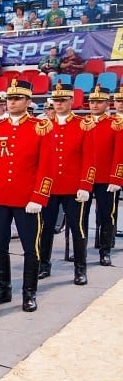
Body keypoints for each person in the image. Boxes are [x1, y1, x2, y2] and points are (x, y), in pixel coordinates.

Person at [0, 79, 54, 313]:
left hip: (27, 200)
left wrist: (39, 197)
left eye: (17, 98)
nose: (11, 103)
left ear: (28, 101)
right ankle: (3, 289)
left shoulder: (40, 127)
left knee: (30, 249)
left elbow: (47, 167)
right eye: (9, 99)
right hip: (1, 198)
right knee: (0, 246)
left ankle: (29, 292)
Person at [37, 82, 94, 285]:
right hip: (49, 187)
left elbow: (89, 158)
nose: (59, 104)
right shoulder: (44, 125)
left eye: (62, 100)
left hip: (73, 187)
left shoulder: (83, 124)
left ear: (71, 101)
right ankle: (44, 265)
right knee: (45, 228)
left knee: (77, 229)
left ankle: (80, 269)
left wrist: (85, 185)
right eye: (56, 101)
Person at [85, 86, 122, 267]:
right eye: (92, 101)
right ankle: (80, 250)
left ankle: (105, 251)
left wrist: (116, 178)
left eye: (99, 102)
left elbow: (119, 154)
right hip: (84, 179)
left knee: (107, 216)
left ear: (107, 103)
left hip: (106, 178)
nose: (94, 105)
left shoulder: (115, 123)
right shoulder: (82, 122)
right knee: (80, 217)